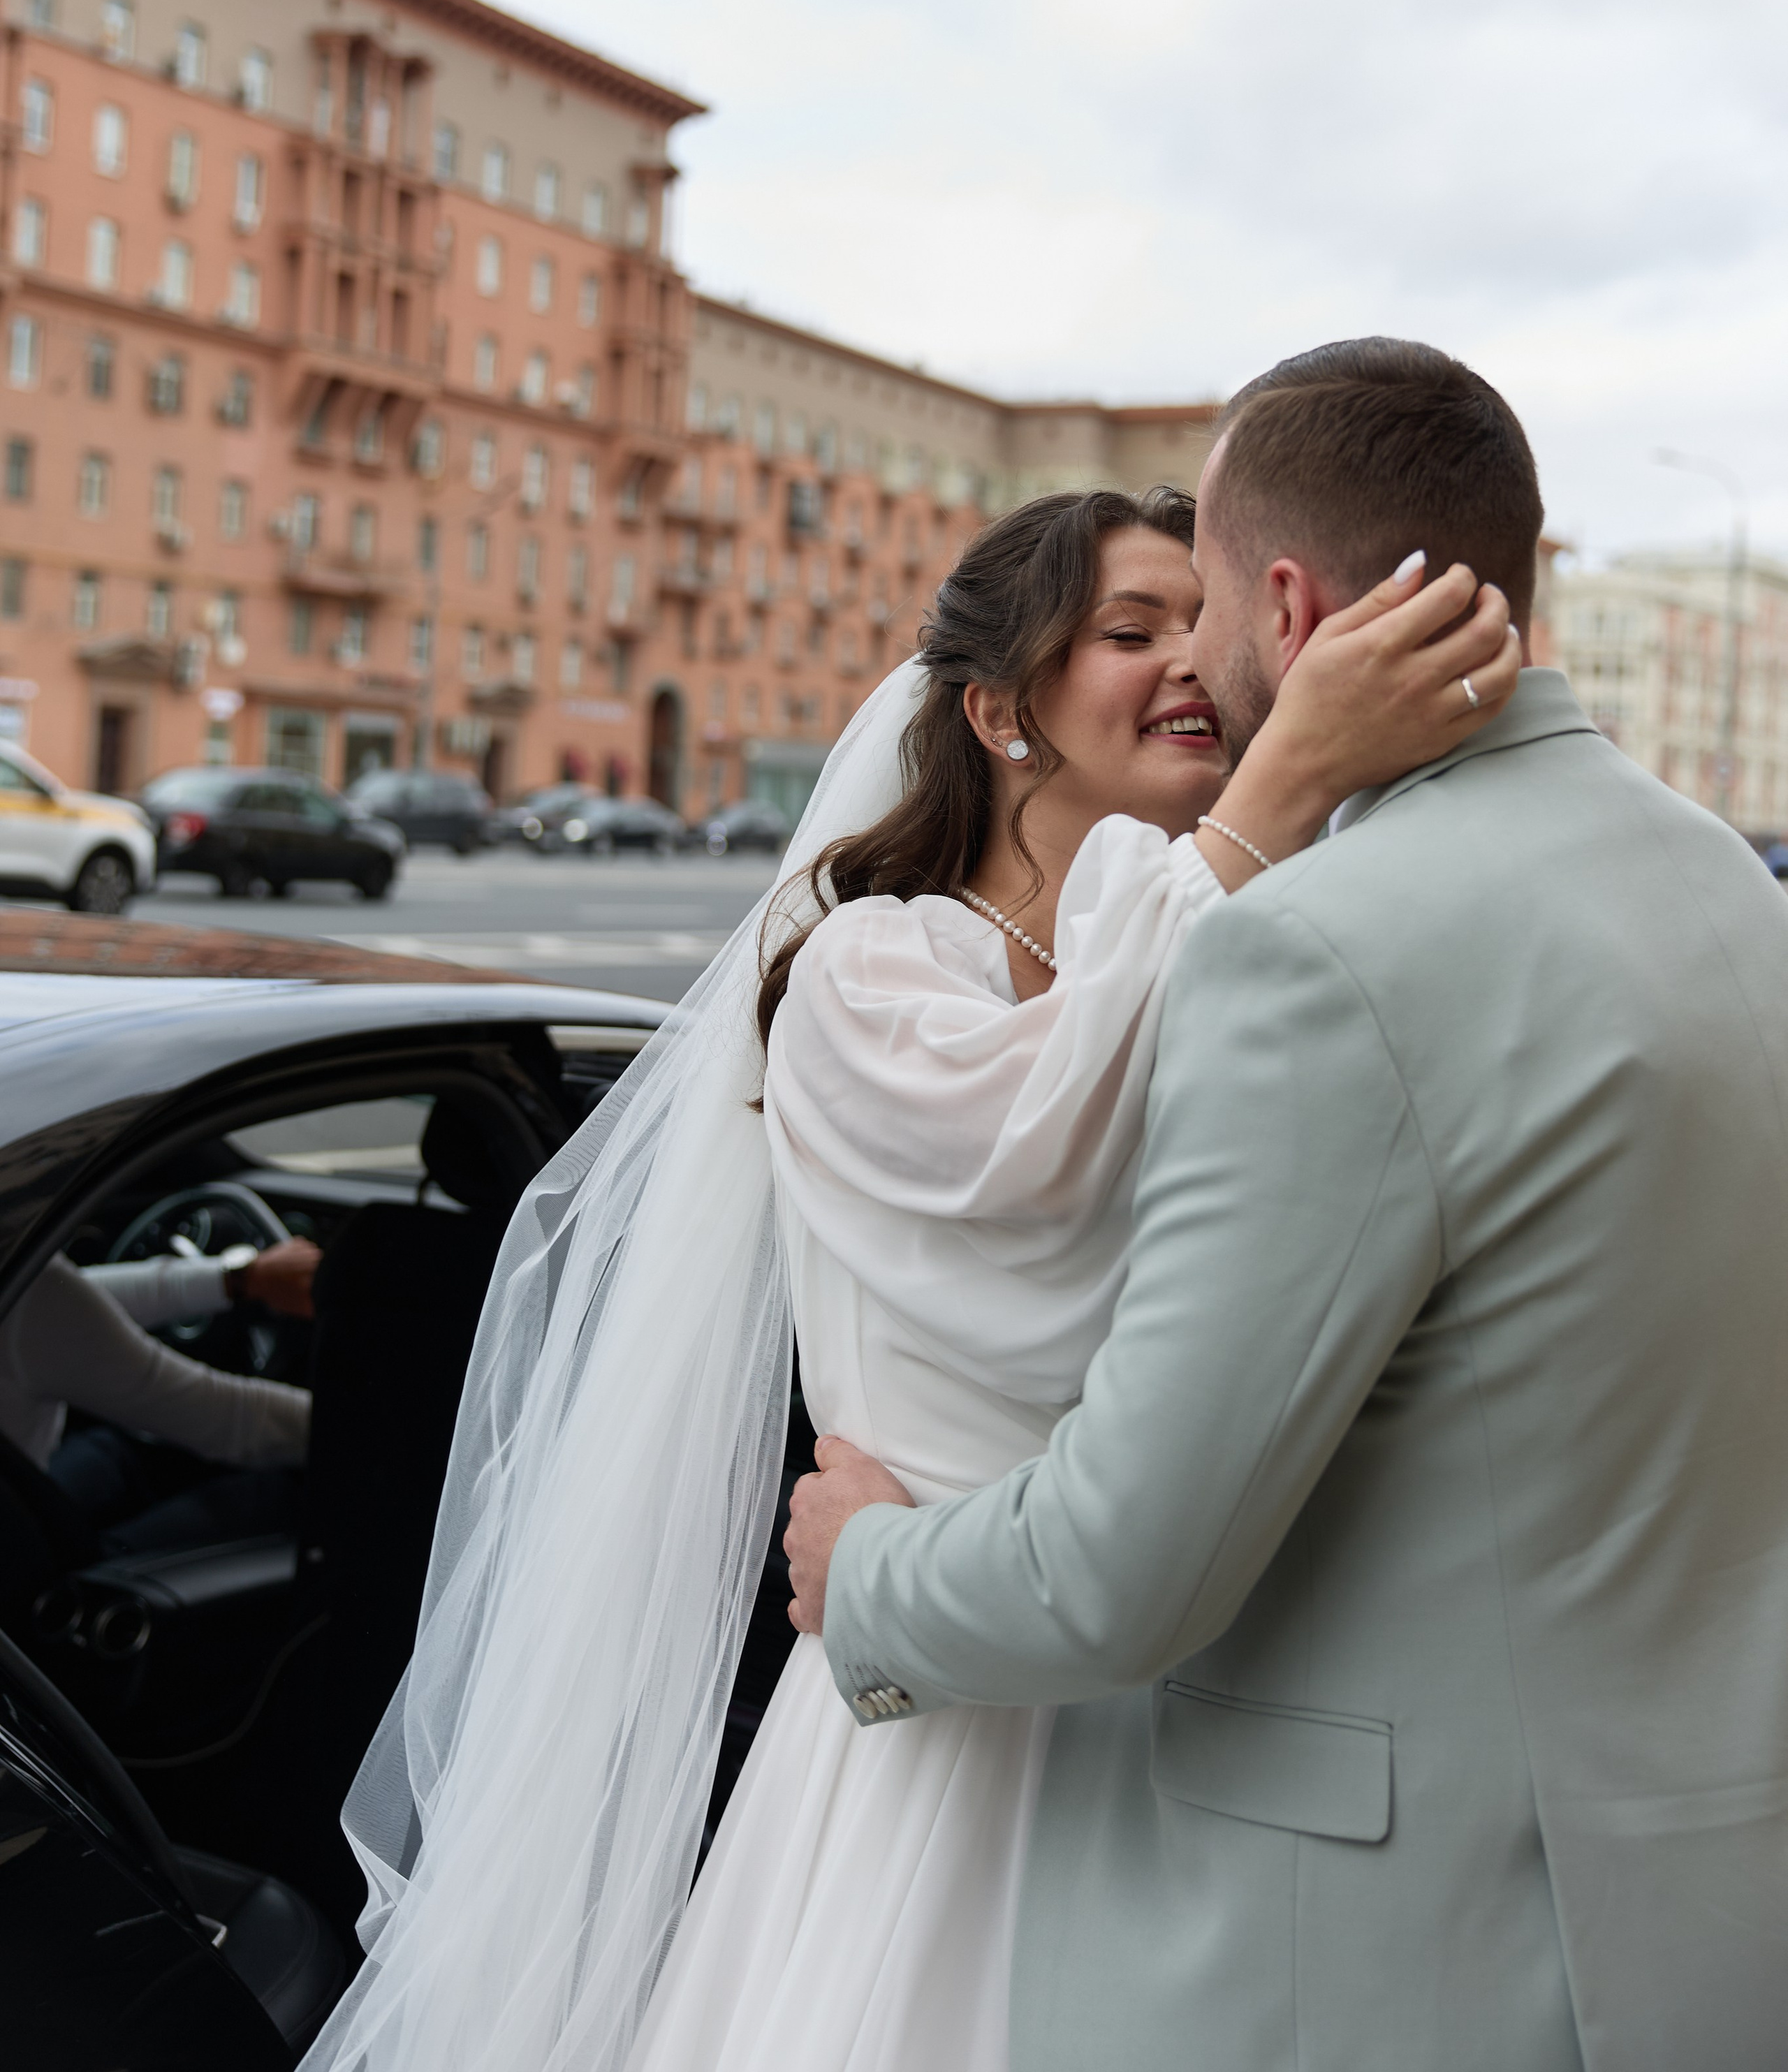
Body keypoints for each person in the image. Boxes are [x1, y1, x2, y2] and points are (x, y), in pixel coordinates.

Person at [302, 473, 1518, 2072]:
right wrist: (1278, 786)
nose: (1181, 662)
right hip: (939, 1716)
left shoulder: (1231, 945)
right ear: (999, 707)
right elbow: (1044, 1142)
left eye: (1202, 628)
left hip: (1183, 1714)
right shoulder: (870, 965)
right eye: (1126, 626)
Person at [790, 339, 1788, 2072]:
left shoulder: (1311, 949)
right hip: (1682, 1907)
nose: (1190, 663)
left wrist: (857, 1571)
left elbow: (1121, 1568)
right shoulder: (1712, 876)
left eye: (1198, 616)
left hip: (1366, 1962)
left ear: (1280, 596)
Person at [2, 1237, 316, 1552]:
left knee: (117, 1453)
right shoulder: (34, 1301)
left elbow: (66, 1297)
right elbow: (227, 1419)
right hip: (14, 1567)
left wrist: (237, 1280)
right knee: (274, 1494)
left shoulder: (24, 1276)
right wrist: (353, 1424)